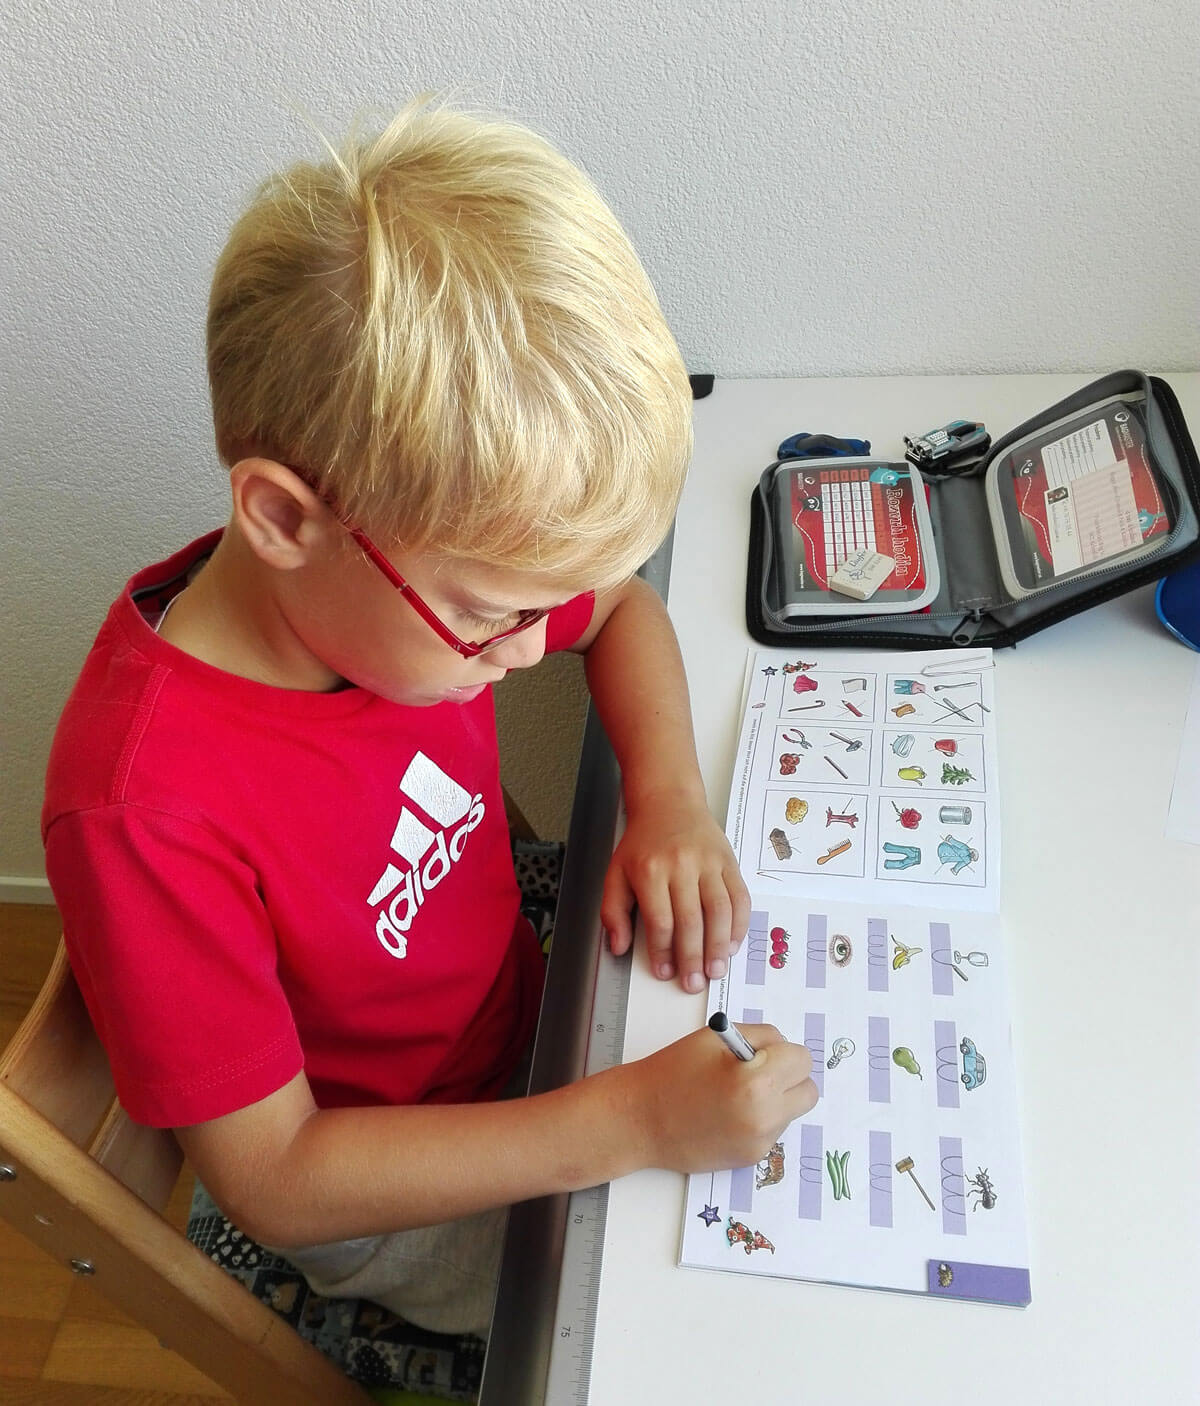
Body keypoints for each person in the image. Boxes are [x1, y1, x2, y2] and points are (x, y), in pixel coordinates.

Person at [42, 99, 817, 1342]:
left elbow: (618, 613)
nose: (525, 654)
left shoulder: (390, 595)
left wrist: (668, 799)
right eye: (493, 616)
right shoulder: (146, 813)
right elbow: (277, 1177)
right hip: (383, 1178)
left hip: (526, 1004)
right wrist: (630, 1121)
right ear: (286, 519)